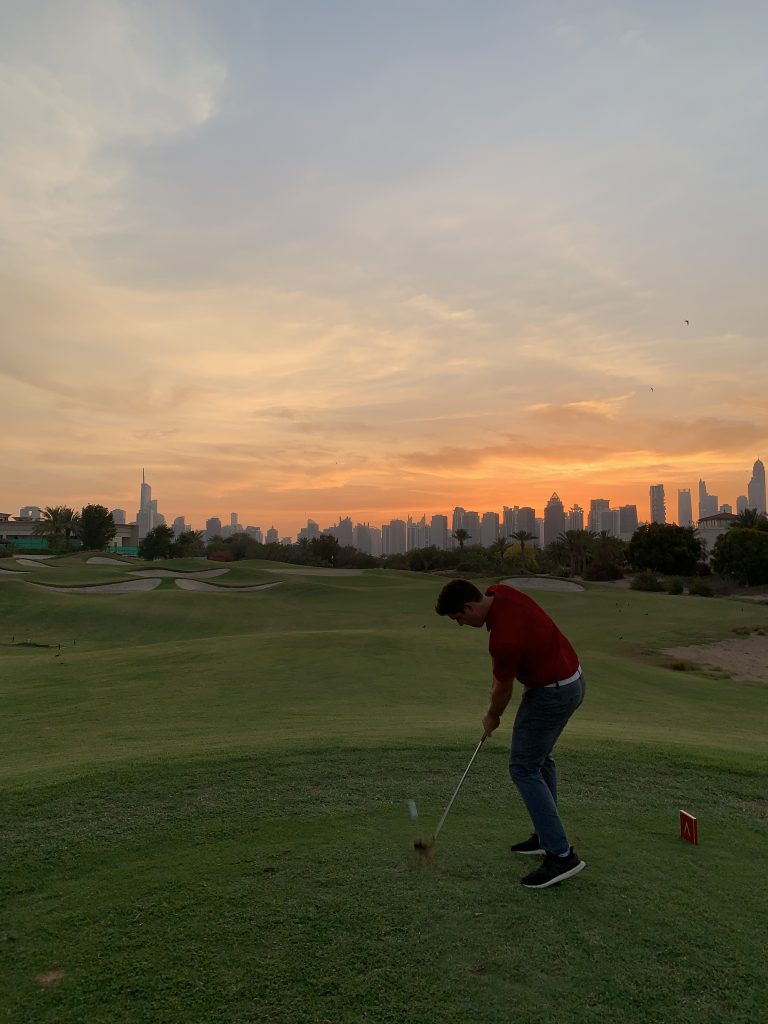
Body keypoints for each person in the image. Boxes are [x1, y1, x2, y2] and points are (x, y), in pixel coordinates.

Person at [435, 578, 586, 889]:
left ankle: (561, 855)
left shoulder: (502, 639)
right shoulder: (499, 591)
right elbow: (502, 680)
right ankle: (547, 837)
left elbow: (503, 689)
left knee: (523, 767)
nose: (461, 624)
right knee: (540, 761)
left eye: (458, 618)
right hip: (570, 682)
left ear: (469, 607)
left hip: (552, 693)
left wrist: (492, 716)